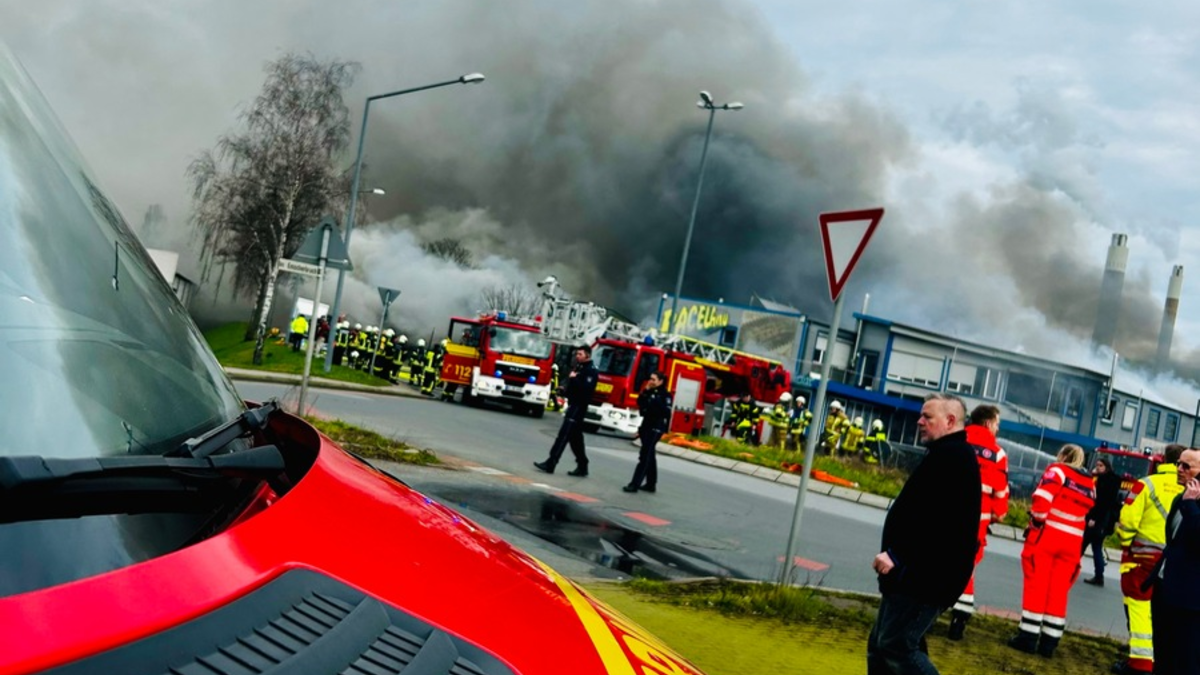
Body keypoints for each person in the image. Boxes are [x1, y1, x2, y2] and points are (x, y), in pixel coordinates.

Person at [867, 393, 980, 675]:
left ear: (950, 420)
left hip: (925, 576)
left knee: (897, 645)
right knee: (881, 645)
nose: (919, 421)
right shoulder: (946, 454)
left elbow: (937, 523)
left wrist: (897, 553)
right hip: (914, 574)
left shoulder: (953, 458)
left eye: (927, 416)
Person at [1007, 444, 1095, 658]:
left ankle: (1027, 637)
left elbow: (1042, 499)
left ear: (1064, 455)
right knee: (1058, 591)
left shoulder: (1057, 471)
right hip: (1073, 543)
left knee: (1037, 585)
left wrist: (1037, 520)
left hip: (1048, 537)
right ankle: (1049, 642)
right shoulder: (1089, 484)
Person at [1113, 444, 1185, 675]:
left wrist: (1126, 543)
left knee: (1139, 611)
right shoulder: (1192, 487)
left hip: (1142, 560)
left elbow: (1127, 522)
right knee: (1165, 617)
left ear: (1163, 459)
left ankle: (1141, 665)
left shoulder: (1146, 484)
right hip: (1175, 562)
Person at [948, 404, 1009, 641]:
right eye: (997, 424)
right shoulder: (997, 453)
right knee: (966, 569)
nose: (997, 429)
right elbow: (1000, 496)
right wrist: (995, 515)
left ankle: (926, 614)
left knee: (936, 560)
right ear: (987, 422)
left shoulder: (955, 439)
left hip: (944, 516)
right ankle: (959, 619)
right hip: (975, 524)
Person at [1149, 448, 1200, 675]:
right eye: (1179, 464)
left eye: (1187, 466)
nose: (1179, 469)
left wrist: (1190, 506)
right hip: (1165, 589)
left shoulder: (1188, 502)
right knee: (1162, 653)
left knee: (1186, 660)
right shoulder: (1181, 497)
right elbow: (1174, 540)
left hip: (1190, 600)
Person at [535, 345, 599, 477]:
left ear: (587, 355)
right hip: (573, 404)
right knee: (575, 439)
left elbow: (585, 391)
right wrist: (564, 390)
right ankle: (583, 465)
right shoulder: (579, 367)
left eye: (580, 354)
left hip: (579, 407)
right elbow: (575, 388)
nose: (577, 356)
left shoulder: (591, 371)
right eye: (577, 354)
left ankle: (551, 463)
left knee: (563, 436)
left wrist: (574, 379)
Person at [624, 371, 672, 493]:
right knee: (649, 454)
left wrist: (654, 399)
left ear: (660, 381)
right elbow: (640, 403)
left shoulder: (665, 395)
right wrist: (645, 392)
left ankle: (634, 484)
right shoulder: (648, 391)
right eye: (650, 379)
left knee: (645, 455)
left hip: (656, 426)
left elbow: (666, 412)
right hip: (646, 424)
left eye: (653, 379)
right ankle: (651, 483)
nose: (650, 381)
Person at [1082, 458, 1122, 586]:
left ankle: (1072, 570)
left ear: (1107, 467)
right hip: (1105, 521)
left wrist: (1094, 518)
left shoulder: (1105, 481)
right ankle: (1099, 575)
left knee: (1086, 545)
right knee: (1095, 546)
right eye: (1097, 465)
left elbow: (1102, 503)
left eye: (1100, 465)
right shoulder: (1111, 480)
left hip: (1099, 520)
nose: (1098, 467)